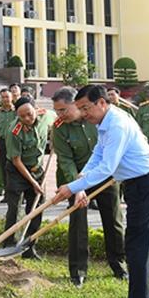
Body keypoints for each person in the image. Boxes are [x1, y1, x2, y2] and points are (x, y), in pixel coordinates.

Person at [52, 85, 149, 298]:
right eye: (80, 108)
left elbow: (107, 167)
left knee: (135, 244)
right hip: (140, 183)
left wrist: (73, 187)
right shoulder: (105, 123)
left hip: (145, 184)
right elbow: (98, 154)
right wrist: (82, 176)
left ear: (102, 103)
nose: (84, 114)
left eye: (86, 108)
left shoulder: (116, 125)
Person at [51, 87, 126, 287]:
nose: (60, 115)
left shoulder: (97, 119)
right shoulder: (58, 128)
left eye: (64, 110)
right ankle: (78, 271)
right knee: (78, 223)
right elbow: (66, 161)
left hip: (104, 176)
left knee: (113, 219)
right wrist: (78, 187)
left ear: (75, 104)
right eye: (57, 111)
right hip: (75, 179)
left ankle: (118, 263)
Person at [3, 96, 54, 260]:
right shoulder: (14, 131)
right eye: (22, 116)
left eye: (29, 114)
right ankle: (8, 246)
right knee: (14, 210)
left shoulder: (46, 116)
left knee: (36, 209)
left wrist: (55, 137)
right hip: (17, 172)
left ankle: (29, 248)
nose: (27, 119)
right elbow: (16, 160)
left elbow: (59, 121)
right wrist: (32, 183)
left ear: (36, 109)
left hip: (38, 170)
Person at [0, 88, 17, 203]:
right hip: (2, 143)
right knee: (4, 168)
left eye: (7, 97)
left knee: (17, 168)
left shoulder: (17, 111)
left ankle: (18, 194)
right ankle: (7, 194)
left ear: (12, 97)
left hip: (15, 143)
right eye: (3, 97)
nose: (5, 99)